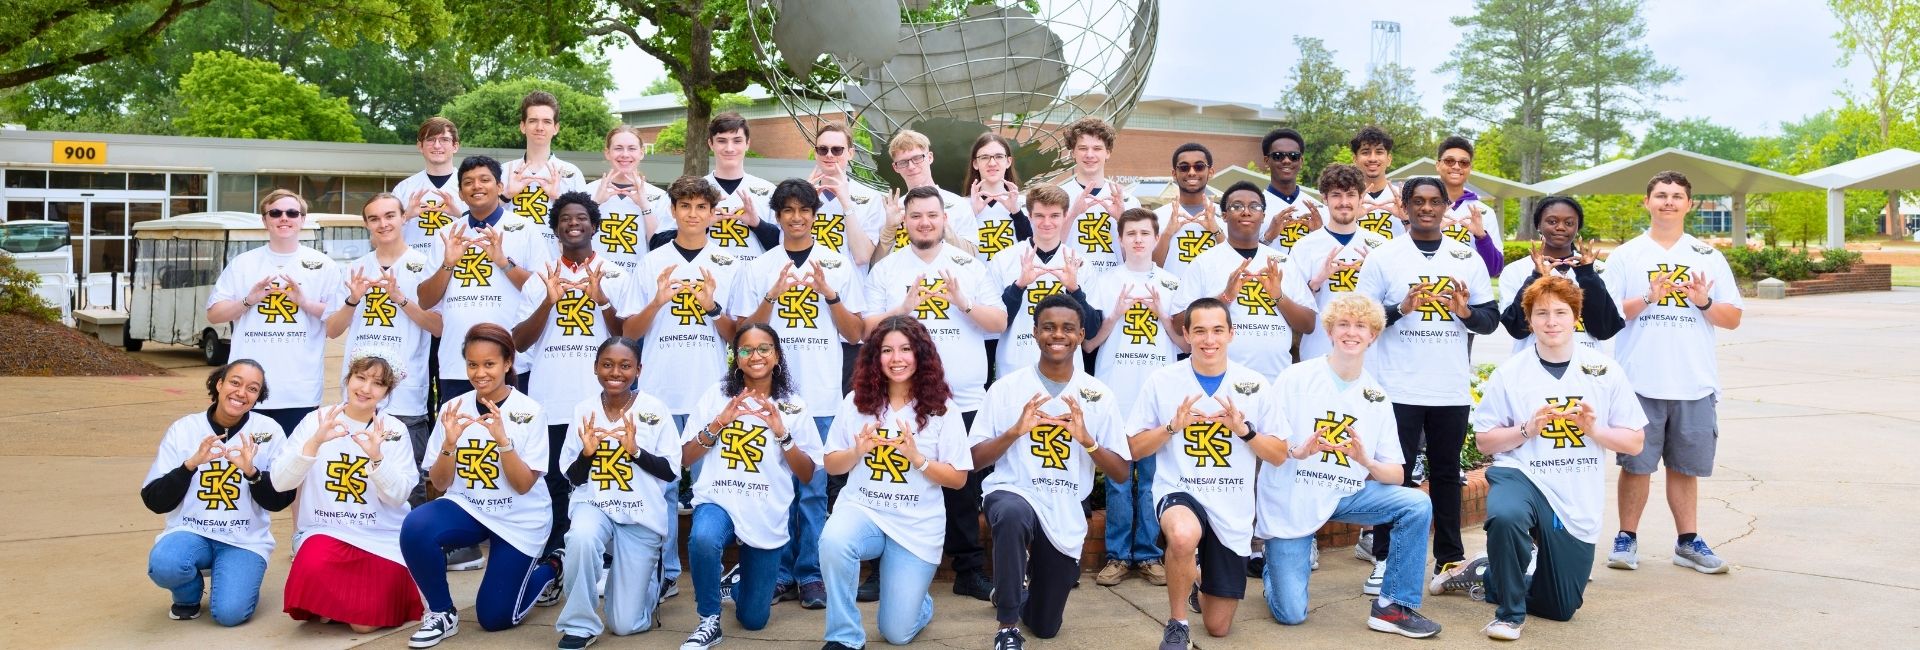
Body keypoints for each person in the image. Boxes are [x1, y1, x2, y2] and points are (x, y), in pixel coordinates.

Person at [1470, 276, 1647, 640]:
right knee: (1506, 516)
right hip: (1522, 474)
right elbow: (1486, 442)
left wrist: (1595, 431)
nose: (1551, 321)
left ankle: (1491, 576)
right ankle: (1508, 615)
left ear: (1576, 318)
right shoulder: (1511, 373)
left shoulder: (1604, 370)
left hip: (1574, 490)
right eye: (1542, 313)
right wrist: (1526, 430)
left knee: (1560, 608)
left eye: (1560, 312)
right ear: (1529, 320)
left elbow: (1635, 444)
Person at [1254, 295, 1440, 638]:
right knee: (1291, 614)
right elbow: (1266, 447)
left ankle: (1393, 607)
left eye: (1361, 326)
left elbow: (1396, 475)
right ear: (1329, 331)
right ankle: (1274, 569)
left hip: (1344, 493)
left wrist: (1365, 459)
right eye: (1343, 324)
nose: (1351, 333)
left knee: (1415, 504)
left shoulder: (1377, 396)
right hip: (1292, 497)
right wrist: (1297, 450)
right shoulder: (1295, 378)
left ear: (1373, 335)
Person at [1353, 176, 1499, 596]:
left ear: (1444, 206)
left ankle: (1449, 559)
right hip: (1395, 386)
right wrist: (1402, 307)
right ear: (1407, 207)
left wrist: (1466, 312)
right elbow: (1365, 319)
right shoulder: (1385, 257)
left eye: (1435, 201)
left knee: (1447, 473)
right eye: (1419, 201)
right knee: (1393, 478)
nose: (1427, 208)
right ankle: (1383, 557)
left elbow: (1490, 321)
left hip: (1447, 387)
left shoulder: (1463, 255)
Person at [862, 185, 1008, 600]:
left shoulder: (969, 265)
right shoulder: (887, 269)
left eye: (932, 215)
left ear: (945, 218)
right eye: (916, 216)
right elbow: (864, 330)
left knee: (962, 489)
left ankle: (968, 569)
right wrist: (903, 309)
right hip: (898, 397)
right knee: (891, 481)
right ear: (904, 221)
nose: (924, 222)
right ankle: (880, 570)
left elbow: (998, 322)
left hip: (960, 399)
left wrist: (962, 301)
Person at [1125, 298, 1290, 649]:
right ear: (1185, 334)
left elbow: (1278, 455)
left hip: (1232, 507)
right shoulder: (1163, 380)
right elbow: (1135, 448)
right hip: (1181, 490)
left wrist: (1245, 431)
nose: (1208, 339)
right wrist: (1172, 427)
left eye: (1217, 330)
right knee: (1183, 536)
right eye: (1199, 330)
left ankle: (1196, 578)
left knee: (1218, 627)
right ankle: (1177, 625)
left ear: (1232, 333)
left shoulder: (1254, 384)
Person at [970, 293, 1132, 649]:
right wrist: (1014, 431)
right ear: (1035, 332)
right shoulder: (1007, 389)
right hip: (1014, 490)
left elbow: (1121, 472)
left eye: (1067, 328)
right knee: (1011, 514)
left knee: (1045, 626)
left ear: (1080, 335)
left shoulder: (1098, 394)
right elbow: (975, 460)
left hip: (1063, 508)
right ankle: (1007, 628)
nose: (1057, 335)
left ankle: (1012, 591)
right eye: (1049, 327)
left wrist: (1088, 441)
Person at [1601, 171, 1743, 575]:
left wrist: (1703, 300)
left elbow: (1731, 318)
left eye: (1677, 195)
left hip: (1693, 382)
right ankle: (1626, 538)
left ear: (1689, 205)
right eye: (1661, 194)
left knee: (1685, 467)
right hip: (1638, 381)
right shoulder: (1627, 255)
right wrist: (1649, 296)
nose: (1668, 201)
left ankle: (1687, 542)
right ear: (1646, 201)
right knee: (1636, 466)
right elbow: (1606, 317)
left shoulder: (1707, 255)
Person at [734, 178, 866, 609]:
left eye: (803, 209)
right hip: (768, 396)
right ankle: (777, 574)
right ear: (777, 216)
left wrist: (828, 294)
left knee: (812, 491)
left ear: (814, 214)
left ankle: (809, 575)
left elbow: (856, 333)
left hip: (822, 396)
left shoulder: (837, 263)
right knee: (772, 488)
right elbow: (741, 333)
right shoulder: (759, 265)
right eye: (787, 210)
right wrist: (774, 294)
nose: (796, 217)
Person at [819, 317, 974, 650]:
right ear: (876, 357)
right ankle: (844, 637)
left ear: (920, 355)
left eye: (905, 349)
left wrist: (917, 458)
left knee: (896, 633)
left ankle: (919, 602)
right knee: (833, 540)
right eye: (887, 350)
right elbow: (831, 462)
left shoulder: (942, 410)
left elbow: (959, 478)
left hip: (916, 526)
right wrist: (857, 451)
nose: (896, 358)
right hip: (865, 512)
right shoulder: (856, 402)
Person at [400, 324, 560, 648]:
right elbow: (442, 484)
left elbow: (523, 485)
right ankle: (443, 613)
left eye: (489, 364)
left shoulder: (529, 412)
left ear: (507, 363)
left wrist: (503, 441)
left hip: (519, 518)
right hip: (470, 506)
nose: (480, 372)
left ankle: (553, 568)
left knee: (495, 617)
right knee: (416, 526)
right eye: (473, 364)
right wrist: (449, 444)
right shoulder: (452, 408)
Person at [622, 175, 741, 596]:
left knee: (718, 484)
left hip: (710, 389)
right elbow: (629, 330)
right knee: (663, 485)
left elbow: (735, 336)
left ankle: (721, 573)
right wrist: (656, 301)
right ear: (672, 211)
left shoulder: (728, 261)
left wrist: (712, 307)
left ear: (713, 214)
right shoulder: (652, 261)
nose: (693, 214)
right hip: (660, 388)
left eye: (701, 207)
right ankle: (667, 571)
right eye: (685, 206)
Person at [678, 324, 823, 649]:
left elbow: (807, 474)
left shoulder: (794, 405)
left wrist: (782, 433)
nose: (755, 356)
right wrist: (718, 424)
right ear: (736, 357)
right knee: (703, 537)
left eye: (764, 348)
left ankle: (739, 584)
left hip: (765, 511)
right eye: (746, 349)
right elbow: (685, 458)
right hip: (719, 499)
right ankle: (709, 620)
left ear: (776, 356)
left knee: (754, 620)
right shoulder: (716, 395)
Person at [514, 191, 632, 555]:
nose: (573, 223)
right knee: (554, 483)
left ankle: (604, 556)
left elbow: (627, 337)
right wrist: (549, 302)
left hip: (602, 401)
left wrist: (603, 301)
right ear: (556, 229)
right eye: (565, 218)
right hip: (550, 396)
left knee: (604, 478)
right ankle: (555, 558)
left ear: (594, 225)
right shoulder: (541, 278)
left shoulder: (616, 273)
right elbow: (519, 342)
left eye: (581, 217)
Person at [273, 352, 423, 633]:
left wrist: (377, 459)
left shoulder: (394, 430)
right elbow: (281, 483)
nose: (366, 389)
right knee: (318, 572)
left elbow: (399, 495)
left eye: (377, 383)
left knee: (363, 626)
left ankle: (340, 606)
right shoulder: (315, 420)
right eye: (361, 377)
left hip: (381, 537)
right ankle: (338, 604)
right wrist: (314, 444)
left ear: (387, 392)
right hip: (327, 532)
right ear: (348, 378)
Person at [141, 360, 291, 626]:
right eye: (235, 382)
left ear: (258, 396)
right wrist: (189, 466)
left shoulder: (269, 431)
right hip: (191, 532)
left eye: (252, 388)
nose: (242, 392)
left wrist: (252, 473)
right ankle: (188, 595)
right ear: (219, 384)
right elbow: (154, 500)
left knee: (230, 614)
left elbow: (280, 500)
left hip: (243, 539)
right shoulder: (184, 428)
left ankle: (235, 576)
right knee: (166, 563)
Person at [553, 337, 680, 649]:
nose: (615, 372)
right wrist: (587, 454)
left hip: (640, 515)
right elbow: (573, 478)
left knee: (626, 625)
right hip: (595, 504)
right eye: (607, 364)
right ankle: (580, 625)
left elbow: (671, 471)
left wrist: (636, 451)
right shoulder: (584, 410)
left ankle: (646, 582)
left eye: (625, 366)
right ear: (596, 367)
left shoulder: (655, 409)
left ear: (638, 369)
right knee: (580, 537)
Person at [1086, 206, 1184, 588]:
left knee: (1154, 480)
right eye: (1131, 233)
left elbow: (1182, 344)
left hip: (1158, 395)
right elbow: (1091, 343)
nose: (1139, 239)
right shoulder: (1105, 281)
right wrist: (1115, 314)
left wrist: (1161, 314)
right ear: (1121, 239)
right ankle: (1116, 556)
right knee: (1119, 478)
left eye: (1145, 233)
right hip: (1117, 391)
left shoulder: (1173, 283)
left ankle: (1147, 554)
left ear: (1156, 237)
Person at [326, 194, 443, 502]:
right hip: (360, 393)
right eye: (374, 218)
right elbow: (332, 328)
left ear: (404, 218)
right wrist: (353, 299)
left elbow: (439, 327)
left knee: (409, 482)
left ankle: (411, 547)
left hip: (405, 394)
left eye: (390, 215)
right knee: (360, 475)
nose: (383, 223)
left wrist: (401, 299)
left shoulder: (423, 266)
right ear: (366, 224)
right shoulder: (355, 269)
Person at [206, 189, 342, 434]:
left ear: (302, 220)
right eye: (275, 213)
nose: (284, 218)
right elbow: (214, 314)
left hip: (299, 390)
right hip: (247, 390)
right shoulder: (243, 263)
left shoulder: (324, 265)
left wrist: (304, 302)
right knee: (246, 464)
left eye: (292, 213)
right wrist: (249, 300)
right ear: (265, 220)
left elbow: (337, 323)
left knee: (293, 466)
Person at [418, 155, 546, 399]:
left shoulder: (526, 229)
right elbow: (425, 300)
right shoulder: (447, 234)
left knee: (510, 434)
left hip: (512, 363)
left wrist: (503, 263)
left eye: (485, 179)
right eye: (468, 182)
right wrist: (448, 264)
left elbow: (541, 291)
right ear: (461, 192)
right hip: (456, 363)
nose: (477, 186)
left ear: (499, 187)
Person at [1173, 181, 1317, 380]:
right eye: (1237, 206)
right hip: (1220, 378)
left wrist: (1279, 296)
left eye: (1255, 206)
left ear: (1263, 215)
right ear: (1224, 215)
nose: (1246, 212)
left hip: (1276, 377)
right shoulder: (1204, 262)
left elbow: (1308, 324)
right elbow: (1178, 323)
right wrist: (1225, 298)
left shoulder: (1283, 262)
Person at [990, 183, 1097, 380]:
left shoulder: (1081, 263)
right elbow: (997, 324)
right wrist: (1019, 286)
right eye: (1040, 215)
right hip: (1015, 369)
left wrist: (1074, 290)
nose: (1047, 222)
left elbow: (1090, 330)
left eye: (1054, 216)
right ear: (1029, 216)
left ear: (1066, 216)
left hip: (1068, 371)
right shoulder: (1004, 259)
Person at [1498, 197, 1625, 352]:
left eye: (1569, 223)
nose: (1560, 227)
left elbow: (1606, 330)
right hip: (1532, 364)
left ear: (1578, 227)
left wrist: (1588, 276)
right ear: (1538, 225)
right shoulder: (1516, 270)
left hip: (1585, 366)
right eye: (1552, 221)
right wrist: (1536, 277)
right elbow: (1516, 328)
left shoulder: (1599, 270)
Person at [1290, 164, 1388, 361]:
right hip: (1319, 352)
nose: (1344, 202)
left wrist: (1372, 273)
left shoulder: (1381, 246)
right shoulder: (1304, 246)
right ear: (1324, 198)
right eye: (1336, 195)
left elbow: (1391, 306)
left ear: (1361, 198)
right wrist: (1316, 282)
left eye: (1351, 195)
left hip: (1369, 356)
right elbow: (1294, 310)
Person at [660, 111, 780, 261]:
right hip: (703, 279)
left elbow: (783, 245)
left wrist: (757, 224)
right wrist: (701, 225)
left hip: (752, 281)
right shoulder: (689, 190)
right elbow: (659, 244)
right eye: (722, 141)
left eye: (737, 141)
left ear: (747, 144)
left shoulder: (768, 191)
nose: (729, 148)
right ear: (711, 144)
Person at [872, 129, 978, 264]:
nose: (911, 166)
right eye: (903, 162)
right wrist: (889, 229)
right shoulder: (893, 209)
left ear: (930, 157)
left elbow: (972, 255)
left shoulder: (958, 204)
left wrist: (942, 226)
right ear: (895, 167)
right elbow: (876, 264)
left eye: (917, 158)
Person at [502, 90, 587, 259]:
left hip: (555, 265)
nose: (539, 127)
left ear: (556, 128)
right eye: (533, 121)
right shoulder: (504, 171)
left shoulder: (572, 173)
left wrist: (558, 198)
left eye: (547, 122)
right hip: (509, 263)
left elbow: (585, 227)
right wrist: (507, 195)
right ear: (522, 126)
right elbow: (483, 217)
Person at [1056, 117, 1142, 274]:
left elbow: (1136, 257)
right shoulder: (1057, 197)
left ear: (1107, 153)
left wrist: (1122, 220)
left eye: (1097, 148)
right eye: (1082, 148)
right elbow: (1048, 249)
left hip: (1113, 285)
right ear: (1073, 152)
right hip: (1070, 283)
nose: (1090, 155)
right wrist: (1072, 215)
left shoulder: (1129, 201)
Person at [588, 125, 671, 275]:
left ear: (641, 153)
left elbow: (660, 245)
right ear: (607, 153)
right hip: (595, 279)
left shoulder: (659, 196)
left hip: (637, 281)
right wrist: (595, 204)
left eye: (632, 148)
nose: (625, 154)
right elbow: (574, 237)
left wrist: (644, 205)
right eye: (618, 148)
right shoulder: (588, 191)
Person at [806, 123, 886, 267]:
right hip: (807, 284)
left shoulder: (871, 198)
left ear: (850, 153)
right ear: (816, 152)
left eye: (837, 150)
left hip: (849, 287)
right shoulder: (798, 195)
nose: (829, 155)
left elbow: (862, 257)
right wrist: (803, 203)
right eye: (823, 149)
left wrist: (846, 204)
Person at [1434, 136, 1506, 276]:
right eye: (1449, 161)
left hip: (1471, 292)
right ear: (1438, 165)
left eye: (1464, 163)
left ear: (1470, 168)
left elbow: (1495, 269)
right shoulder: (1422, 207)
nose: (1456, 166)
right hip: (1429, 288)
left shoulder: (1484, 212)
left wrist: (1481, 236)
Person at [395, 117, 466, 257]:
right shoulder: (403, 189)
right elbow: (380, 235)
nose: (437, 146)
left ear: (455, 146)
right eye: (430, 139)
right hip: (413, 269)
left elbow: (487, 227)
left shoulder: (471, 187)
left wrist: (460, 214)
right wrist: (406, 215)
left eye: (444, 140)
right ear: (420, 146)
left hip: (460, 267)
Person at [1152, 142, 1223, 278]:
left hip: (1212, 297)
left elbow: (1234, 262)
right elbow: (1151, 268)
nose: (1191, 172)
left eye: (1199, 166)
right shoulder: (1156, 217)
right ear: (1174, 173)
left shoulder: (1225, 216)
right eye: (1184, 167)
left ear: (1211, 172)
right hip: (1171, 296)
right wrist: (1167, 234)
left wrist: (1217, 231)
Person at [1256, 128, 1327, 254]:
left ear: (1301, 161)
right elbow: (1241, 256)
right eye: (1278, 156)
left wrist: (1320, 233)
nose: (1287, 160)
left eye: (1293, 156)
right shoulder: (1253, 208)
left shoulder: (1319, 209)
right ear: (1267, 161)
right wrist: (1267, 237)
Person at [963, 131, 1029, 263]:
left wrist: (1017, 213)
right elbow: (954, 250)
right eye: (985, 157)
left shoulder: (1025, 204)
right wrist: (971, 214)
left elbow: (1032, 247)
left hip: (1015, 280)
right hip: (977, 280)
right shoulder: (961, 206)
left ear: (1008, 161)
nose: (992, 163)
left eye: (999, 156)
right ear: (975, 163)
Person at [1350, 126, 1406, 240]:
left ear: (1389, 159)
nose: (1372, 158)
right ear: (1355, 159)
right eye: (1365, 152)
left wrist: (1407, 219)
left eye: (1379, 152)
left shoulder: (1405, 196)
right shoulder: (1344, 198)